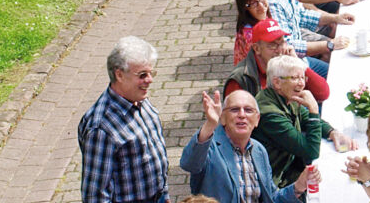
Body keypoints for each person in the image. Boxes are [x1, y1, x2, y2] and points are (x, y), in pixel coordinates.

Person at [180, 89, 316, 203]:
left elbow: (271, 198)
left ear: (257, 120)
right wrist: (210, 125)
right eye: (234, 110)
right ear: (223, 118)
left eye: (248, 110)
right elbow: (189, 164)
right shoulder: (210, 146)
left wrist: (298, 187)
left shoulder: (259, 150)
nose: (242, 115)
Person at [78, 36, 169, 203]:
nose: (149, 80)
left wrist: (164, 194)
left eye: (151, 73)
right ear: (119, 74)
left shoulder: (140, 100)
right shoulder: (101, 128)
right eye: (142, 75)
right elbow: (95, 195)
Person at [253, 56, 355, 186]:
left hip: (290, 166)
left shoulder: (285, 96)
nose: (301, 83)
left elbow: (306, 118)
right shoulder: (270, 115)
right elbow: (311, 152)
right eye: (295, 78)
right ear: (277, 82)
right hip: (275, 181)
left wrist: (332, 132)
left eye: (302, 78)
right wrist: (313, 109)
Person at [227, 17, 330, 103]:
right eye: (272, 45)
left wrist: (298, 63)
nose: (279, 50)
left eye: (281, 43)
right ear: (257, 49)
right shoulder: (240, 79)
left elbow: (323, 93)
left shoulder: (285, 64)